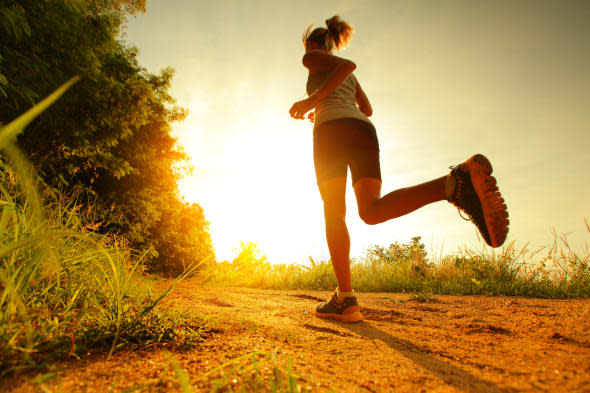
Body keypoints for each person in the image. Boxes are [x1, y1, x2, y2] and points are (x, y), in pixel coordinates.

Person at [289, 16, 509, 323]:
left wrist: (312, 100)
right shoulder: (343, 77)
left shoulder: (314, 57)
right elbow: (365, 109)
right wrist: (323, 107)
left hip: (331, 134)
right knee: (371, 211)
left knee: (334, 212)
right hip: (362, 130)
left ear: (313, 44)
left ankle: (346, 297)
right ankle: (451, 184)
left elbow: (348, 65)